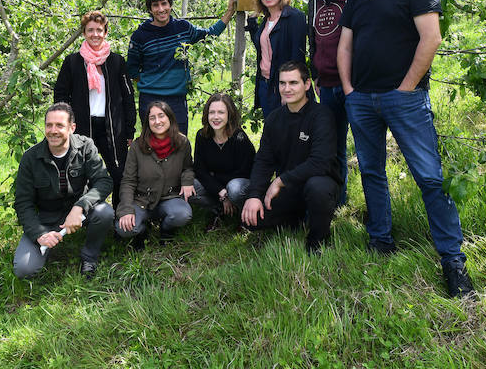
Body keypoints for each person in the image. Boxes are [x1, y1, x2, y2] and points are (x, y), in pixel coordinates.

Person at [337, 0, 474, 297]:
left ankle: (453, 261)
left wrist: (406, 88)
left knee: (429, 177)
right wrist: (350, 90)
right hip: (362, 100)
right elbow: (345, 46)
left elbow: (431, 38)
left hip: (406, 99)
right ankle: (380, 240)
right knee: (371, 171)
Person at [240, 61, 340, 254]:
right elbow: (263, 161)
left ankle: (317, 243)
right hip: (290, 189)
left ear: (307, 84)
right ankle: (294, 217)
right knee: (250, 219)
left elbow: (320, 162)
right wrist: (254, 196)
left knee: (317, 188)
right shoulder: (274, 119)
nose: (287, 89)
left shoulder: (321, 115)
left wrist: (280, 180)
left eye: (293, 83)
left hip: (319, 184)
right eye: (282, 83)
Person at [12, 103, 114, 279]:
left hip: (79, 211)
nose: (53, 130)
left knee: (104, 212)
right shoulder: (30, 157)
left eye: (59, 125)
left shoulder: (85, 146)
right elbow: (23, 203)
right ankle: (46, 243)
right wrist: (40, 234)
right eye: (49, 125)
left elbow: (103, 181)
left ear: (72, 127)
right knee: (24, 269)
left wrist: (80, 206)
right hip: (46, 217)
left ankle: (89, 257)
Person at [54, 10, 136, 210]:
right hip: (82, 126)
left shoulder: (116, 62)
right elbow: (61, 96)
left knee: (118, 172)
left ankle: (119, 214)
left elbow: (128, 97)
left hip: (112, 127)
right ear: (84, 33)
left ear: (106, 32)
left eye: (99, 30)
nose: (95, 34)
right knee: (83, 172)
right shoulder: (72, 62)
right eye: (90, 30)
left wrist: (129, 129)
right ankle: (87, 216)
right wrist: (66, 125)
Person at [127, 0, 236, 134]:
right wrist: (154, 84)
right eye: (155, 5)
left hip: (177, 100)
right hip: (150, 100)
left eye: (164, 3)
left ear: (170, 5)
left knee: (180, 146)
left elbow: (210, 34)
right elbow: (132, 71)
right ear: (150, 9)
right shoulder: (140, 36)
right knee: (151, 147)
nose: (161, 9)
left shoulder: (183, 28)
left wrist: (229, 12)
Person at [306, 0, 364, 207]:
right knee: (333, 147)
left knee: (366, 149)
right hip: (327, 86)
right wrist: (315, 72)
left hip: (359, 84)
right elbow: (313, 38)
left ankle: (372, 208)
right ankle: (338, 202)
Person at [115, 101, 195, 248]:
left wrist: (187, 180)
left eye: (161, 116)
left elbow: (188, 167)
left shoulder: (182, 142)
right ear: (147, 122)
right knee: (123, 229)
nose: (157, 121)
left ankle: (166, 231)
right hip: (142, 200)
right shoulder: (137, 146)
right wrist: (127, 209)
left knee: (182, 214)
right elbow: (128, 181)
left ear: (169, 118)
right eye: (152, 118)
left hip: (169, 197)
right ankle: (142, 231)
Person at [190, 93, 256, 231]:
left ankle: (243, 215)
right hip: (219, 190)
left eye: (221, 112)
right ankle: (218, 211)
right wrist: (220, 192)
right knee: (190, 187)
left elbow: (245, 171)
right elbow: (200, 170)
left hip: (239, 186)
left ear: (229, 115)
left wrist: (217, 182)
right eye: (212, 112)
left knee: (234, 187)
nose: (215, 117)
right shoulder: (202, 136)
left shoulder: (239, 138)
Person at [246, 0, 307, 118]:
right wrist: (253, 26)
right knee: (272, 130)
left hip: (283, 86)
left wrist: (289, 89)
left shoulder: (294, 17)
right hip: (265, 85)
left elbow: (297, 58)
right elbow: (264, 51)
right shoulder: (266, 20)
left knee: (289, 131)